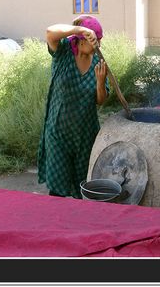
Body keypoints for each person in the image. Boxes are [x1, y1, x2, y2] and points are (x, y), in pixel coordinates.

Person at [36, 15, 110, 198]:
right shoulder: (63, 52)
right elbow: (50, 32)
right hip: (58, 133)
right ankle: (54, 223)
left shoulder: (98, 62)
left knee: (83, 187)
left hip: (85, 135)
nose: (97, 45)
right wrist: (79, 29)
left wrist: (100, 82)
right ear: (81, 40)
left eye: (99, 40)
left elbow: (100, 101)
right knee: (57, 189)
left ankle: (77, 223)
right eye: (94, 40)